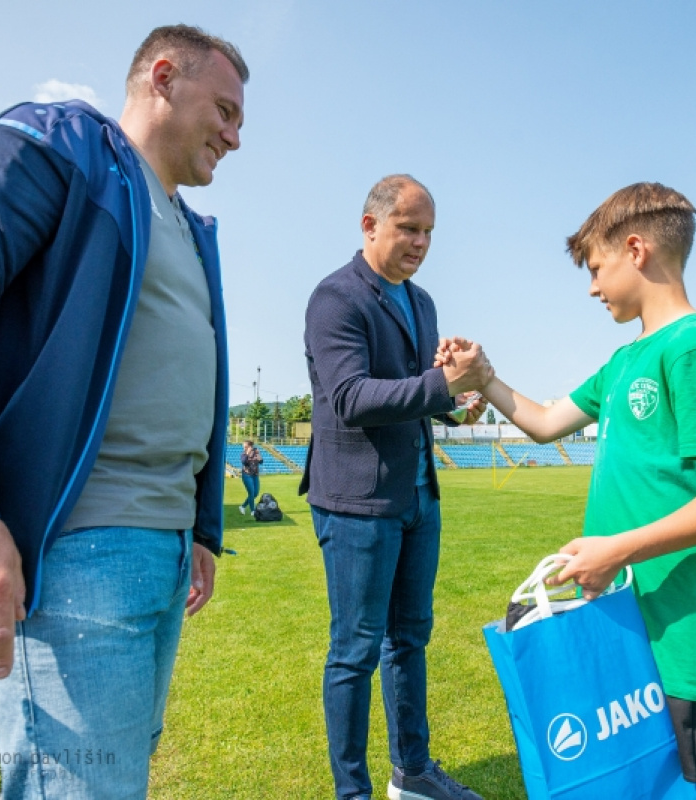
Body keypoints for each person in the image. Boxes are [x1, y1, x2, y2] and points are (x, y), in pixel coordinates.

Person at [438, 182, 696, 800]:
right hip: (631, 614)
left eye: (596, 268)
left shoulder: (695, 348)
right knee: (652, 776)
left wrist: (617, 548)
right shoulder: (623, 362)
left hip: (690, 618)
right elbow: (542, 422)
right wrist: (484, 377)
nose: (592, 287)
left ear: (637, 249)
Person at [0, 24, 247, 798]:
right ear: (163, 77)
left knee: (118, 779)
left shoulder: (192, 230)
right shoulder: (62, 145)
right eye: (226, 111)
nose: (236, 138)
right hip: (76, 553)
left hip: (162, 553)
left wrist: (199, 529)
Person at [301, 174, 492, 800]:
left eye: (429, 231)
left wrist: (456, 404)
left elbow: (414, 393)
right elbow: (352, 397)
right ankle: (352, 792)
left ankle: (413, 772)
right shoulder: (335, 298)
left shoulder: (422, 300)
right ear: (369, 225)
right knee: (354, 650)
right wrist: (441, 386)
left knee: (409, 639)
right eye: (409, 228)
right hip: (356, 502)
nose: (420, 242)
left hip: (416, 497)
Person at [239, 439, 263, 514]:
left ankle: (243, 506)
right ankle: (253, 510)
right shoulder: (243, 454)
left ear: (250, 446)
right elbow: (244, 462)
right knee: (251, 493)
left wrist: (258, 454)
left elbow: (261, 461)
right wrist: (247, 453)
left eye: (246, 447)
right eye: (244, 447)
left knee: (255, 493)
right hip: (246, 475)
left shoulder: (256, 453)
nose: (244, 448)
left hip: (255, 475)